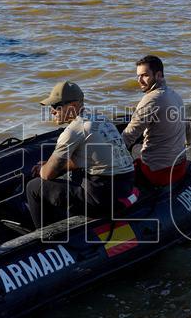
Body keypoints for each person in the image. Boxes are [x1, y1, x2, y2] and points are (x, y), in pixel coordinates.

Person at [26, 81, 135, 228]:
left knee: (33, 186)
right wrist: (55, 166)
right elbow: (84, 160)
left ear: (73, 106)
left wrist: (43, 168)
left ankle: (46, 236)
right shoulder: (101, 119)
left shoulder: (73, 130)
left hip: (103, 200)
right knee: (72, 173)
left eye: (56, 106)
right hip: (125, 187)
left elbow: (46, 175)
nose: (52, 111)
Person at [121, 55, 188, 186]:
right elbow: (187, 128)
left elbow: (129, 135)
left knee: (133, 151)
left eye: (144, 75)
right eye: (138, 76)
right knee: (139, 147)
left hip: (158, 173)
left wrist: (105, 156)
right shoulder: (175, 95)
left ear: (158, 75)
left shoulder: (151, 99)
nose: (140, 80)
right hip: (179, 167)